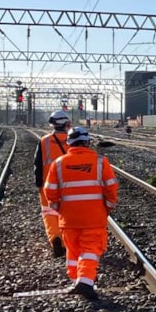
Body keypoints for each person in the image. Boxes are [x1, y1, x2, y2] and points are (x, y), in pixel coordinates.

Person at [44, 126, 119, 300]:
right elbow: (111, 187)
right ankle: (84, 282)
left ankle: (75, 278)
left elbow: (50, 191)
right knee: (90, 249)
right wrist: (107, 207)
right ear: (87, 142)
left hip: (68, 218)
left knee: (73, 250)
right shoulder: (100, 161)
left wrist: (58, 208)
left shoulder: (59, 163)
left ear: (69, 143)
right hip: (94, 217)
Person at [34, 110, 71, 258]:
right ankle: (67, 242)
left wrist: (38, 183)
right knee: (66, 213)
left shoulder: (44, 140)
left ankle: (55, 237)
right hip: (68, 184)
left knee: (49, 213)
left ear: (53, 124)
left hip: (48, 184)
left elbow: (37, 164)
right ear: (66, 123)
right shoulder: (73, 139)